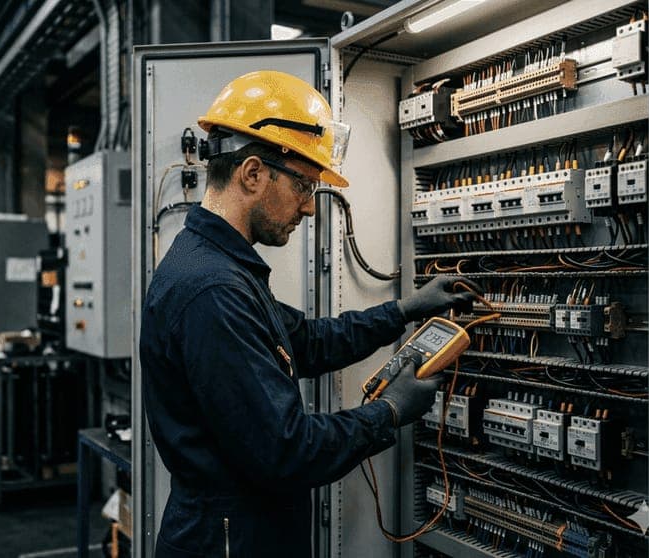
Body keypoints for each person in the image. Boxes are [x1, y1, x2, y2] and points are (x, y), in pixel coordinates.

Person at [139, 70, 481, 557]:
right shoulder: (213, 289)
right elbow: (286, 450)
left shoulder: (218, 267)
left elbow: (307, 341)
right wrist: (388, 412)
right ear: (253, 174)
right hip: (230, 542)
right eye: (304, 186)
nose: (309, 209)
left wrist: (405, 309)